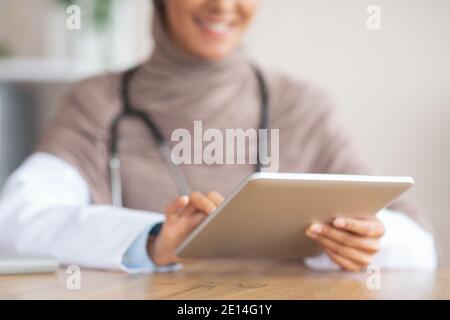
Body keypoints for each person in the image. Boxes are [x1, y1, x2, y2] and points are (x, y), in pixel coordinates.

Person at [0, 0, 437, 272]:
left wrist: (364, 241)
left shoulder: (302, 106)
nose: (223, 5)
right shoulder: (98, 102)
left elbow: (419, 248)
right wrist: (153, 240)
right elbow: (17, 220)